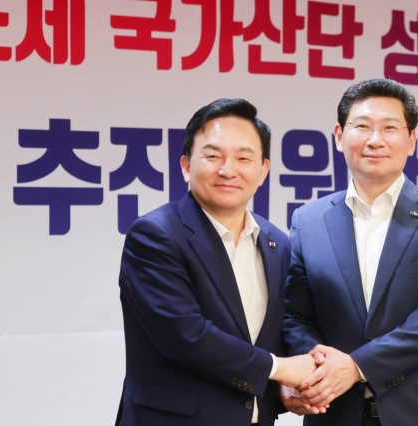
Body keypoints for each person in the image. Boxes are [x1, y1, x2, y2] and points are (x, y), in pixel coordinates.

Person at [281, 79, 418, 426]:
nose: (375, 140)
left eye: (390, 128)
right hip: (334, 411)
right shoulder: (307, 220)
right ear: (339, 136)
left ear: (411, 140)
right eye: (362, 127)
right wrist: (319, 366)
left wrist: (356, 367)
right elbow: (294, 315)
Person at [115, 98, 317, 426]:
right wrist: (280, 368)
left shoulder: (276, 242)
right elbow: (187, 337)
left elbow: (272, 333)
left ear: (263, 170)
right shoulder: (155, 235)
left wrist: (287, 386)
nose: (227, 170)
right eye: (212, 156)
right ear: (185, 165)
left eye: (243, 157)